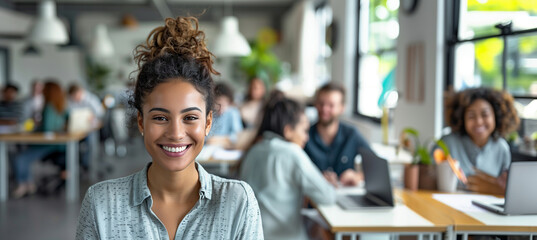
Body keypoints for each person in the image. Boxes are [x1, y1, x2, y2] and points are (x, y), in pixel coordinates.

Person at [76, 16, 263, 239]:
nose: (175, 134)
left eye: (190, 117)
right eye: (160, 118)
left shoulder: (238, 202)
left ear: (208, 122)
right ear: (141, 122)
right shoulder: (102, 203)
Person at [239, 92, 335, 240]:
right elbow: (327, 196)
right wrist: (326, 183)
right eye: (304, 130)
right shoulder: (291, 152)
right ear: (288, 130)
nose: (306, 137)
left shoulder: (254, 149)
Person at [442, 87, 519, 195]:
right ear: (462, 119)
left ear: (496, 117)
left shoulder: (502, 148)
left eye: (485, 115)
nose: (478, 122)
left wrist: (494, 188)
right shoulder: (447, 143)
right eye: (471, 116)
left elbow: (506, 189)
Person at [304, 83, 370, 187]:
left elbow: (375, 166)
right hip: (313, 198)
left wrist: (357, 176)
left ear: (341, 108)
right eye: (321, 104)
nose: (325, 109)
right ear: (315, 104)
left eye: (331, 105)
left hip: (345, 196)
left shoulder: (351, 134)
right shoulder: (304, 135)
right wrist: (316, 178)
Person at [12, 81, 69, 198]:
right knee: (23, 153)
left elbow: (47, 129)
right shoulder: (61, 105)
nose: (41, 91)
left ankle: (23, 185)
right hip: (60, 144)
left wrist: (35, 129)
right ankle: (29, 183)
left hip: (49, 144)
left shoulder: (48, 107)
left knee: (20, 158)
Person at [206, 82, 243, 148]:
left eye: (224, 103)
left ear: (229, 102)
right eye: (218, 103)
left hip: (225, 148)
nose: (221, 106)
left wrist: (218, 139)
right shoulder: (211, 114)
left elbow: (237, 135)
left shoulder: (232, 113)